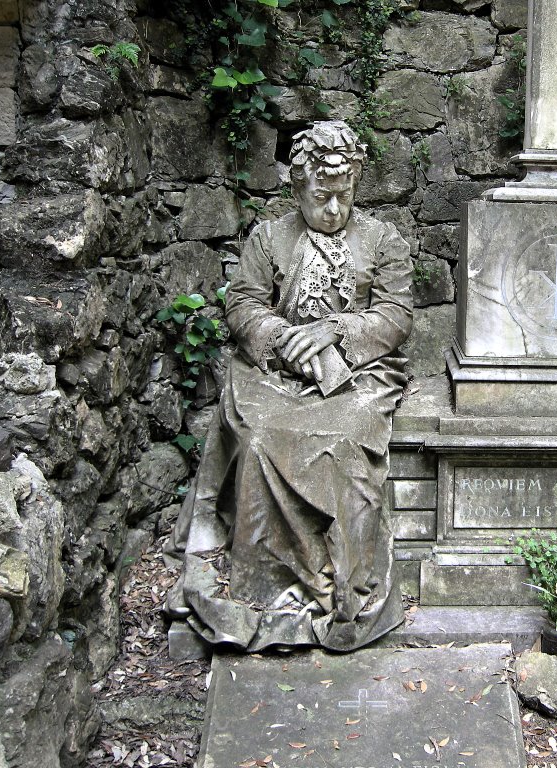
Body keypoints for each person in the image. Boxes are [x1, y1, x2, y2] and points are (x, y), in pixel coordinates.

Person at [167, 121, 413, 652]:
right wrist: (280, 338)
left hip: (359, 376)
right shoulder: (268, 238)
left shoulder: (382, 240)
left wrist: (337, 331)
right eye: (321, 197)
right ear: (297, 189)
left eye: (343, 197)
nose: (333, 210)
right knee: (256, 441)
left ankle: (334, 582)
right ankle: (264, 586)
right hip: (273, 373)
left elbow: (396, 314)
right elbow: (242, 302)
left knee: (344, 446)